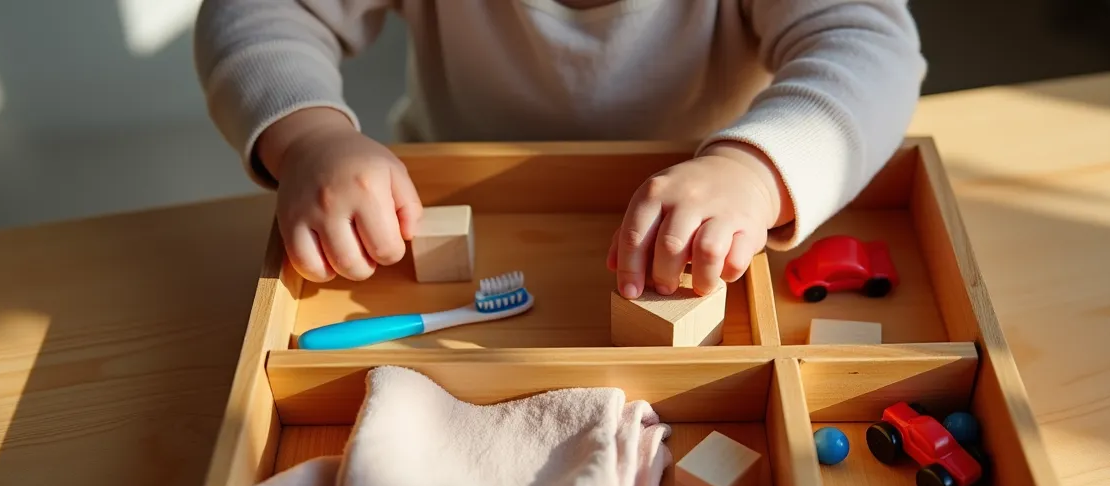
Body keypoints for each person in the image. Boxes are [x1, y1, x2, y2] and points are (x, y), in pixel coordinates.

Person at [193, 0, 925, 299]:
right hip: (430, 205)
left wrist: (757, 170)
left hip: (715, 207)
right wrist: (310, 138)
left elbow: (870, 43)